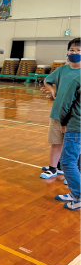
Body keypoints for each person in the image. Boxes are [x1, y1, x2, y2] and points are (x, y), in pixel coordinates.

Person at [42, 38, 81, 179]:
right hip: (58, 113)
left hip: (75, 117)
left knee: (74, 146)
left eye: (78, 50)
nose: (74, 52)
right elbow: (47, 80)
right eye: (72, 50)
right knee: (56, 142)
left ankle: (72, 171)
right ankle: (53, 168)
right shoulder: (62, 70)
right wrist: (52, 92)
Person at [57, 54, 81, 210]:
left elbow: (65, 105)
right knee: (78, 161)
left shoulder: (77, 81)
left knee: (67, 161)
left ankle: (78, 195)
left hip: (76, 127)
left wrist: (63, 122)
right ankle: (75, 193)